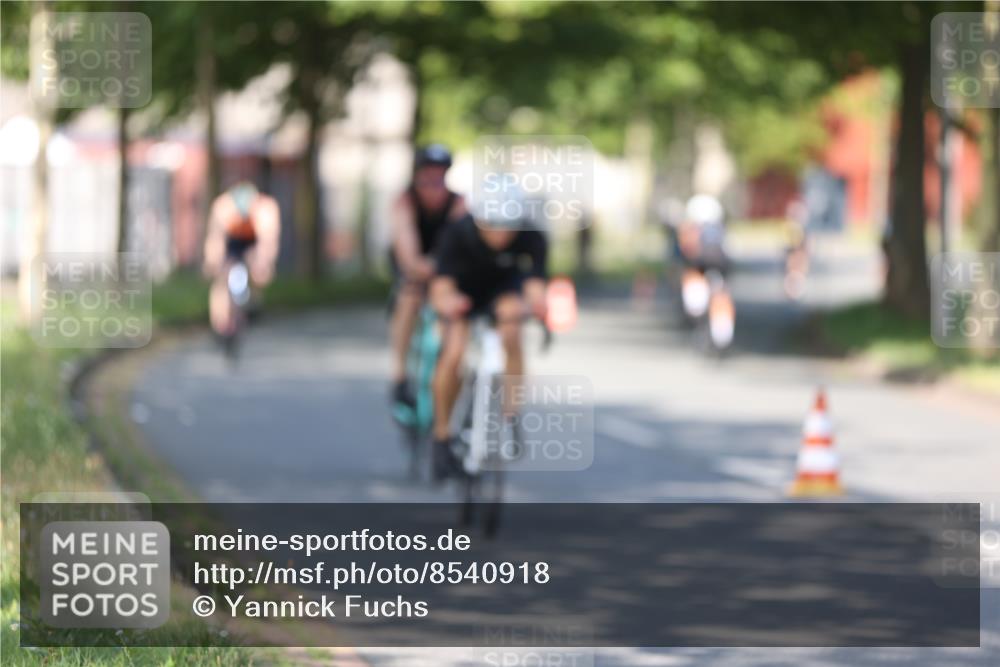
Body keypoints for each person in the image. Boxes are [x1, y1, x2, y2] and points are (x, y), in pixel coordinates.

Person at [428, 189, 548, 480]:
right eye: (493, 226)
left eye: (509, 226)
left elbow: (535, 287)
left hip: (503, 293)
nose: (502, 235)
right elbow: (440, 289)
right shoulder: (456, 234)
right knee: (454, 351)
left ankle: (510, 415)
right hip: (463, 293)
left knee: (512, 333)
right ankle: (442, 434)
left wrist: (534, 308)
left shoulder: (532, 236)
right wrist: (450, 304)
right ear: (479, 220)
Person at [389, 145, 466, 407]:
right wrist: (421, 267)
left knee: (448, 307)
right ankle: (399, 375)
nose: (433, 186)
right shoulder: (405, 201)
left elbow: (460, 243)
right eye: (427, 178)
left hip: (444, 265)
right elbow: (408, 253)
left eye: (439, 178)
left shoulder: (458, 203)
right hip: (415, 263)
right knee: (409, 298)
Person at [202, 180, 281, 337]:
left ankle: (252, 301)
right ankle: (220, 322)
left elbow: (268, 240)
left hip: (253, 241)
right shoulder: (223, 207)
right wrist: (212, 262)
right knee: (221, 281)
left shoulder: (265, 209)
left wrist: (265, 263)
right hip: (232, 242)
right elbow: (215, 238)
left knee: (257, 272)